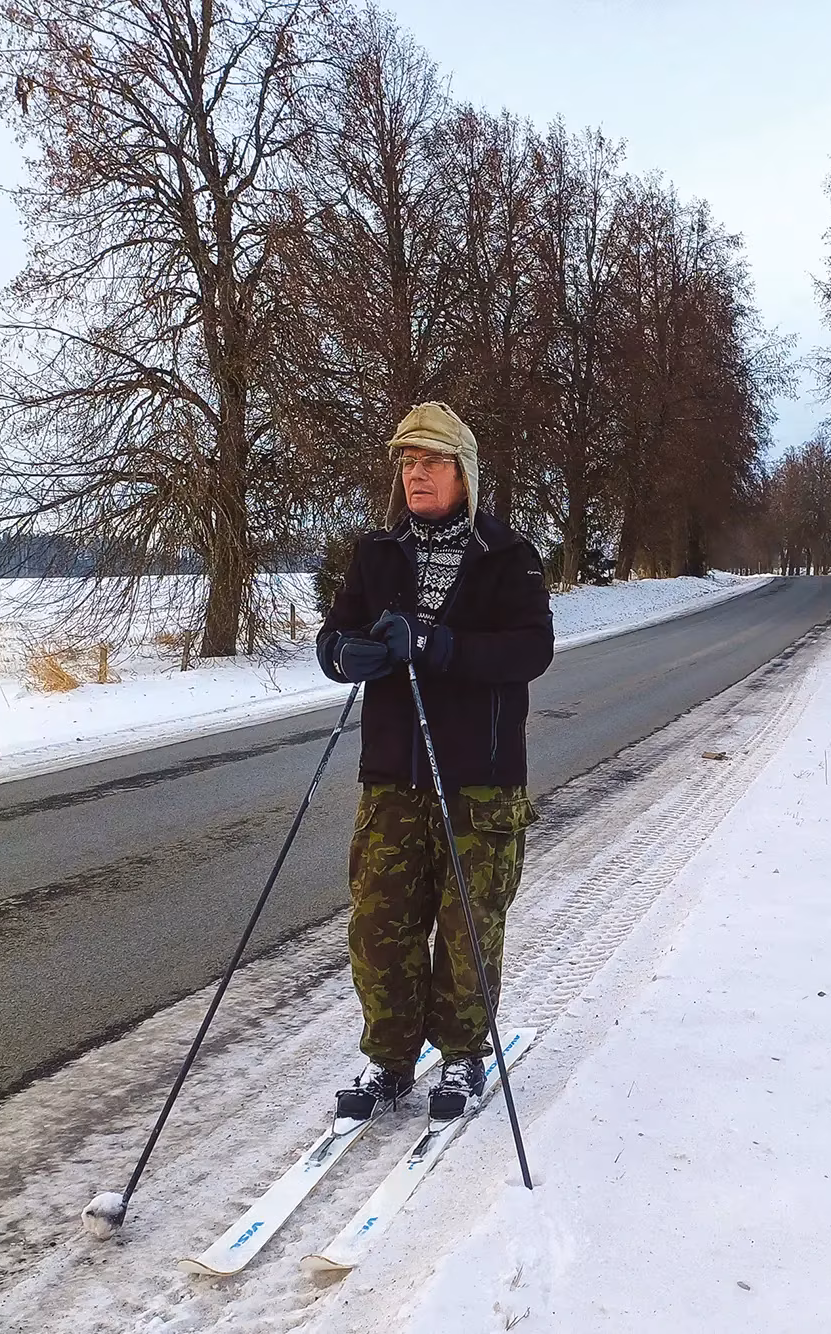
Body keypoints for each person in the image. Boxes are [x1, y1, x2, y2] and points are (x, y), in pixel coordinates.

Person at [315, 402, 553, 1122]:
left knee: (467, 928)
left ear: (464, 473)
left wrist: (441, 646)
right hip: (392, 776)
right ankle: (389, 1060)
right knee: (379, 925)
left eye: (432, 462)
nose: (416, 475)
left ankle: (461, 1053)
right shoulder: (378, 554)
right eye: (408, 463)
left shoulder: (509, 557)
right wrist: (343, 654)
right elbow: (336, 634)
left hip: (479, 779)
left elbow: (530, 651)